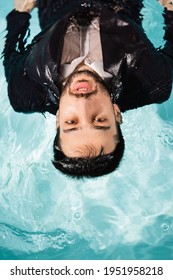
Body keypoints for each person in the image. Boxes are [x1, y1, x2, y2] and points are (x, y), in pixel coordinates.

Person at [2, 0, 173, 178]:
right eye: (99, 120)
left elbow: (11, 56)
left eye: (72, 122)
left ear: (59, 119)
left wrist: (20, 12)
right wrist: (170, 9)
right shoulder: (152, 81)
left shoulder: (26, 89)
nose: (83, 104)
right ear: (116, 113)